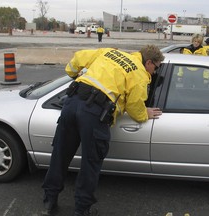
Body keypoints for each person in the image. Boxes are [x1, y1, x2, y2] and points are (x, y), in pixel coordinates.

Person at [41, 45, 165, 216]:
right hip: (94, 114)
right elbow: (135, 106)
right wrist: (145, 114)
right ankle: (82, 209)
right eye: (156, 67)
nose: (153, 72)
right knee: (90, 163)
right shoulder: (139, 73)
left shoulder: (110, 52)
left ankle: (49, 200)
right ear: (149, 62)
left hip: (71, 103)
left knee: (60, 155)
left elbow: (77, 58)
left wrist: (72, 74)